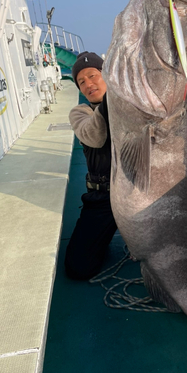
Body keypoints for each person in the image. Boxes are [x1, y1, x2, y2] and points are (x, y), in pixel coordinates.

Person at [65, 51, 117, 279]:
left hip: (138, 193)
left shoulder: (130, 107)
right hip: (103, 199)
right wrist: (112, 99)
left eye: (93, 76)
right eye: (81, 82)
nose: (88, 84)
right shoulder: (80, 112)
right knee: (78, 268)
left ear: (107, 75)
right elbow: (95, 137)